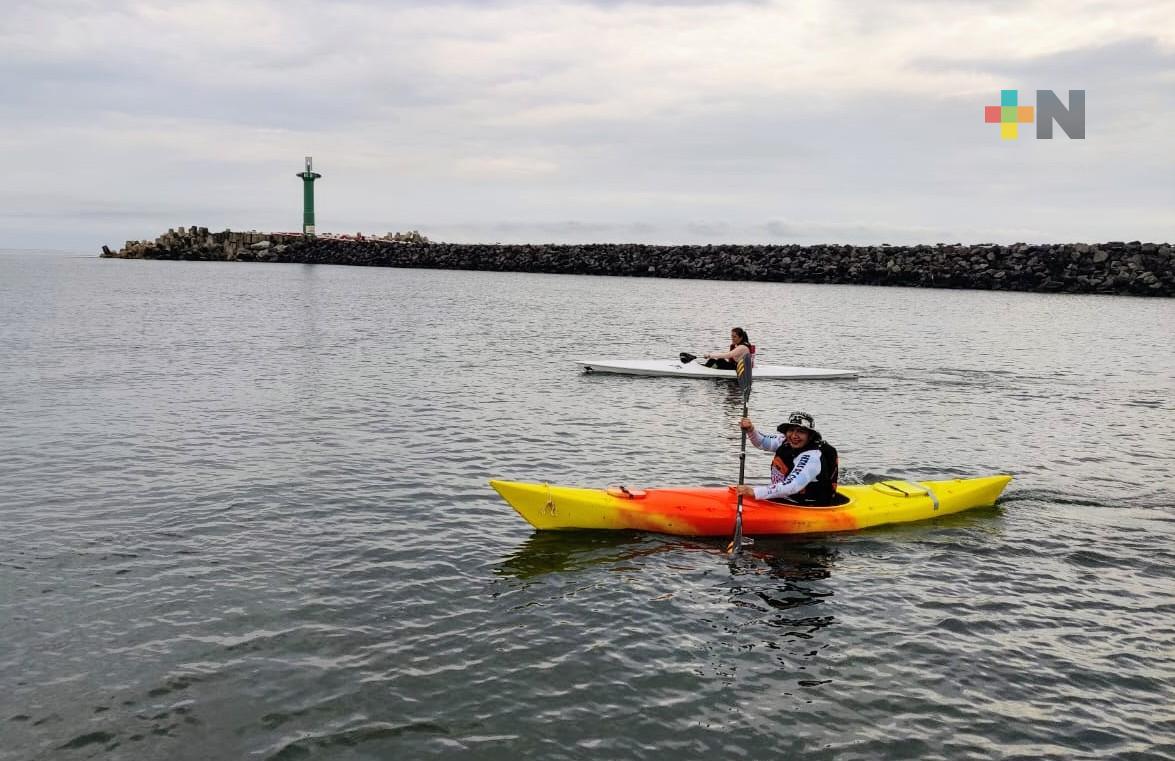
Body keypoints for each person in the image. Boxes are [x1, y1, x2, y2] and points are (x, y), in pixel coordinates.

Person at [731, 411, 841, 506]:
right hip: (786, 498)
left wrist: (754, 492)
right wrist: (751, 430)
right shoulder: (785, 441)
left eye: (801, 431)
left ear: (810, 435)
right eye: (791, 430)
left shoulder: (812, 457)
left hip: (807, 506)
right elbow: (762, 442)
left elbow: (792, 486)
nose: (794, 436)